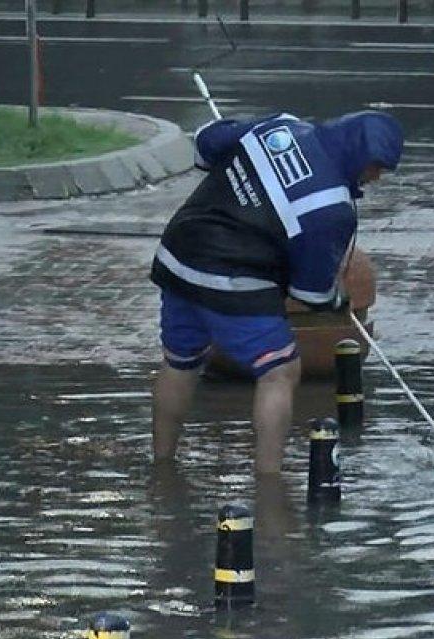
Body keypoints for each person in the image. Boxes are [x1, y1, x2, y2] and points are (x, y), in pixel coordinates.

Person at [149, 110, 404, 473]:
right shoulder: (331, 207)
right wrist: (336, 299)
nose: (376, 178)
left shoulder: (281, 126)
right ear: (362, 157)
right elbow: (309, 294)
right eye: (377, 168)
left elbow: (205, 144)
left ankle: (162, 464)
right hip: (235, 278)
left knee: (180, 362)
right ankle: (269, 481)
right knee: (279, 371)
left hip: (178, 256)